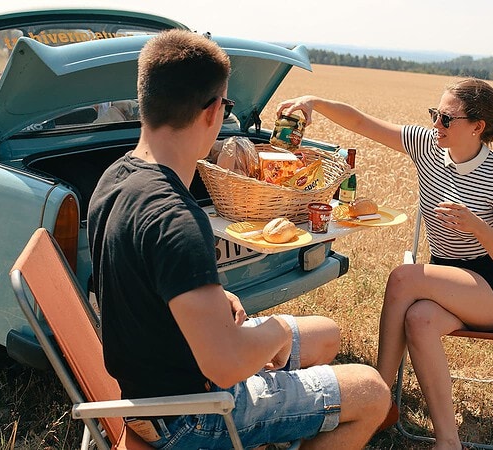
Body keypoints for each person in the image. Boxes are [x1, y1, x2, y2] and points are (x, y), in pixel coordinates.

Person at [87, 29, 390, 450]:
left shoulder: (116, 178)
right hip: (192, 414)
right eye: (226, 105)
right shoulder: (176, 218)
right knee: (372, 390)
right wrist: (279, 329)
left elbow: (139, 287)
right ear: (213, 112)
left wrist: (217, 305)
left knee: (327, 333)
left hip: (150, 391)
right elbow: (227, 364)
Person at [276, 78, 493, 450]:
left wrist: (477, 228)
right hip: (444, 277)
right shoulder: (428, 146)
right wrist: (314, 100)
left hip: (492, 287)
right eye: (435, 114)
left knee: (402, 279)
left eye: (446, 118)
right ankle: (448, 441)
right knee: (419, 320)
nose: (436, 125)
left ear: (478, 127)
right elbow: (363, 123)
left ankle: (376, 396)